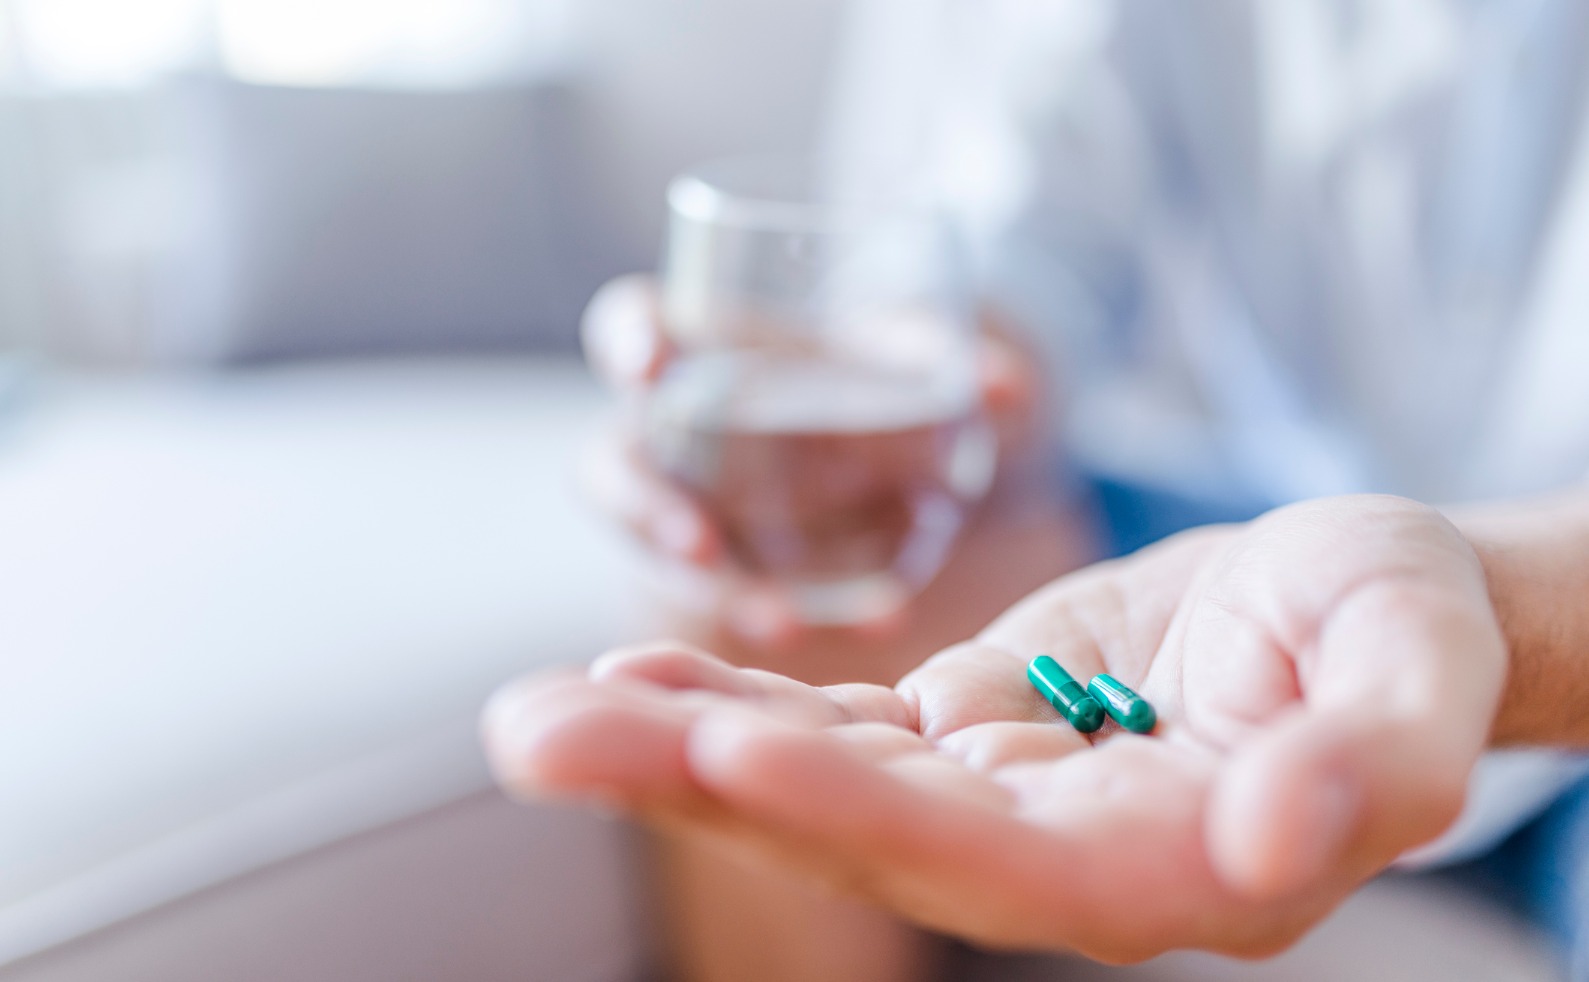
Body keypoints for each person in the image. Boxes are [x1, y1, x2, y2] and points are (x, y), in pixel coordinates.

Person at [487, 0, 1589, 976]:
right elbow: (1024, 238)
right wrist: (899, 403)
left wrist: (1522, 610)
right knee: (771, 572)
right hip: (1265, 510)